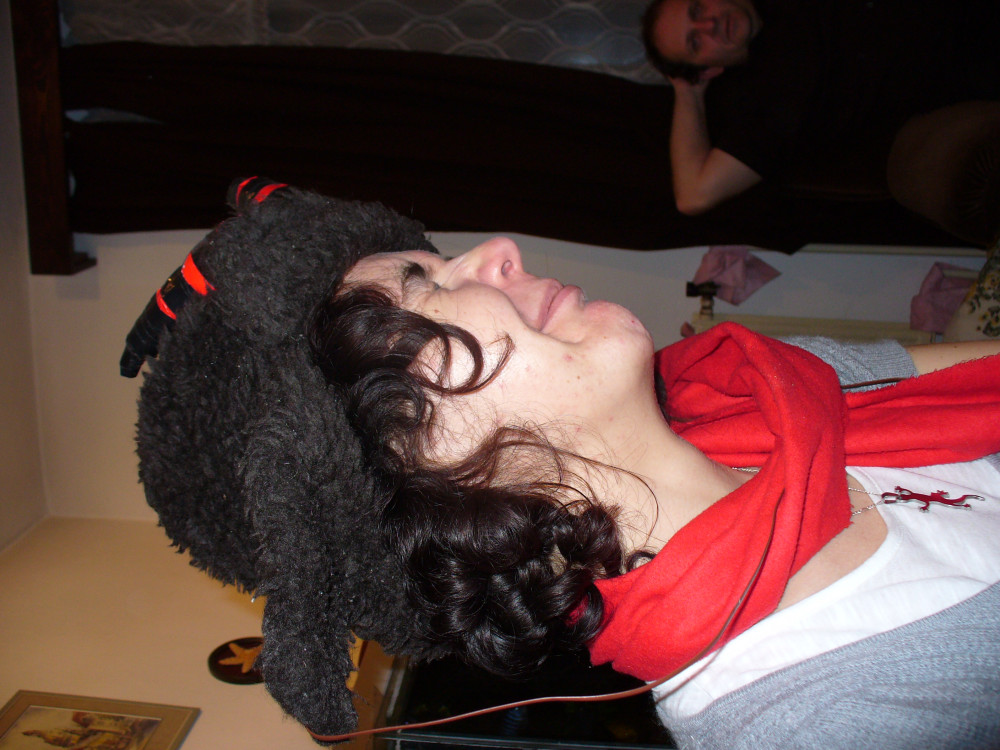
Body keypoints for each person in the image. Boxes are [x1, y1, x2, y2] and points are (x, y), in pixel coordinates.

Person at [127, 179, 1000, 747]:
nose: (500, 249)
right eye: (423, 287)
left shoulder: (750, 384)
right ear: (403, 464)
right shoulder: (822, 719)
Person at [642, 0, 1000, 215]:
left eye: (698, 8)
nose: (710, 24)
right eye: (695, 41)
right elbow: (693, 196)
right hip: (969, 67)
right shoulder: (761, 102)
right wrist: (687, 92)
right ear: (706, 70)